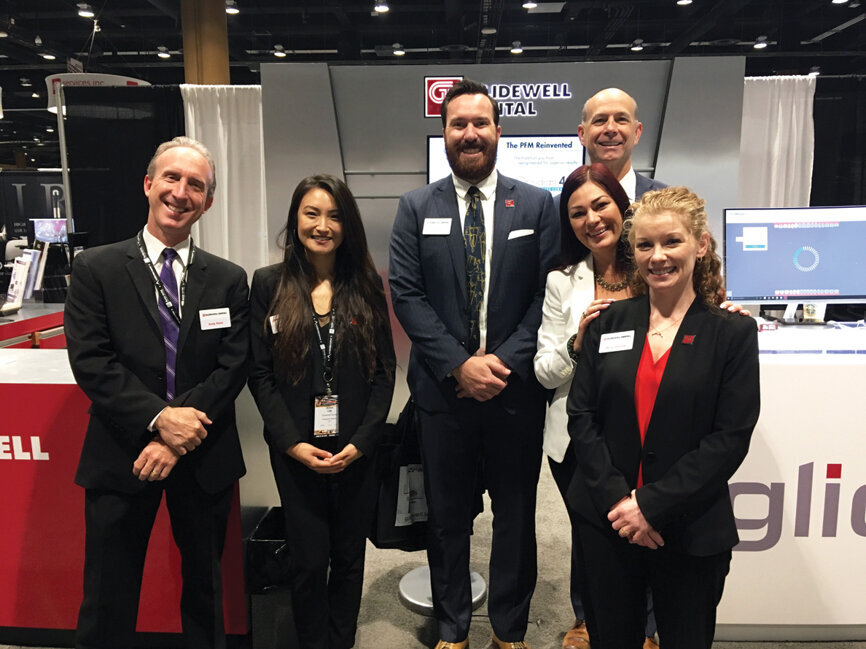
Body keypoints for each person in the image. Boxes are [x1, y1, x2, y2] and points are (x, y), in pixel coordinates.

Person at [389, 79, 559, 649]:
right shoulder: (416, 206)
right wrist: (459, 366)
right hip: (442, 394)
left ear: (498, 131)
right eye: (458, 124)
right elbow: (407, 296)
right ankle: (453, 628)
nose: (469, 133)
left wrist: (501, 363)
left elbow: (548, 294)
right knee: (448, 518)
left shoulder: (536, 204)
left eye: (480, 123)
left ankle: (509, 631)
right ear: (443, 134)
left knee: (515, 518)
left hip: (515, 394)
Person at [64, 136, 249, 649]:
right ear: (149, 185)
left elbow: (232, 366)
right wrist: (159, 421)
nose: (181, 191)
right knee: (107, 594)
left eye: (197, 184)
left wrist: (176, 434)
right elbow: (92, 362)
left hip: (202, 454)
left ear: (207, 202)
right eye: (172, 178)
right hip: (121, 453)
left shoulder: (229, 280)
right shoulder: (95, 269)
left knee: (207, 594)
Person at [565, 186, 760, 649]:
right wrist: (620, 503)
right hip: (608, 522)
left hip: (690, 525)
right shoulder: (608, 323)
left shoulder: (731, 332)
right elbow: (582, 416)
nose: (658, 257)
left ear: (701, 244)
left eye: (671, 242)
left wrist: (650, 505)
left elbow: (729, 437)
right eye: (645, 245)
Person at [248, 174, 395, 649]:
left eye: (334, 215)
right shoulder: (268, 284)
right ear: (296, 219)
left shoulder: (367, 283)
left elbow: (385, 372)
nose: (323, 225)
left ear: (347, 224)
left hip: (355, 448)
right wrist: (290, 442)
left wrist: (363, 441)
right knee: (310, 560)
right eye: (312, 213)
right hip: (296, 449)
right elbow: (259, 373)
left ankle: (342, 640)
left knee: (350, 556)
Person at [533, 163, 634, 649]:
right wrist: (577, 344)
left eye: (600, 205)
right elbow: (543, 371)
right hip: (577, 438)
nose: (591, 219)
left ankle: (646, 629)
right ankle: (588, 623)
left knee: (644, 532)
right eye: (577, 213)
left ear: (621, 206)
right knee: (594, 541)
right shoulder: (562, 281)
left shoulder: (656, 266)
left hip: (645, 432)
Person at [578, 87, 667, 201]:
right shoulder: (560, 208)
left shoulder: (669, 205)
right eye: (600, 120)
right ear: (582, 134)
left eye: (621, 119)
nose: (611, 128)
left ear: (637, 132)